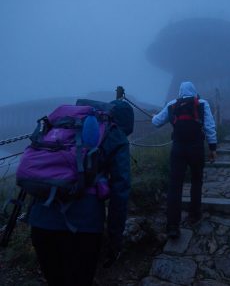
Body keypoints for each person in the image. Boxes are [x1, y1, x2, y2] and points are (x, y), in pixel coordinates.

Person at [27, 100, 131, 286]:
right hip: (84, 225)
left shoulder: (61, 125)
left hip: (41, 221)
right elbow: (120, 190)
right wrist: (115, 239)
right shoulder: (115, 134)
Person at [152, 81, 217, 239]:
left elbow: (156, 122)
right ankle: (194, 214)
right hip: (196, 148)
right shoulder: (202, 103)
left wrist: (154, 116)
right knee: (196, 180)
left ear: (179, 92)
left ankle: (173, 226)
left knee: (175, 185)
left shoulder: (172, 104)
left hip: (178, 148)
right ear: (195, 91)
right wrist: (213, 147)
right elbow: (209, 126)